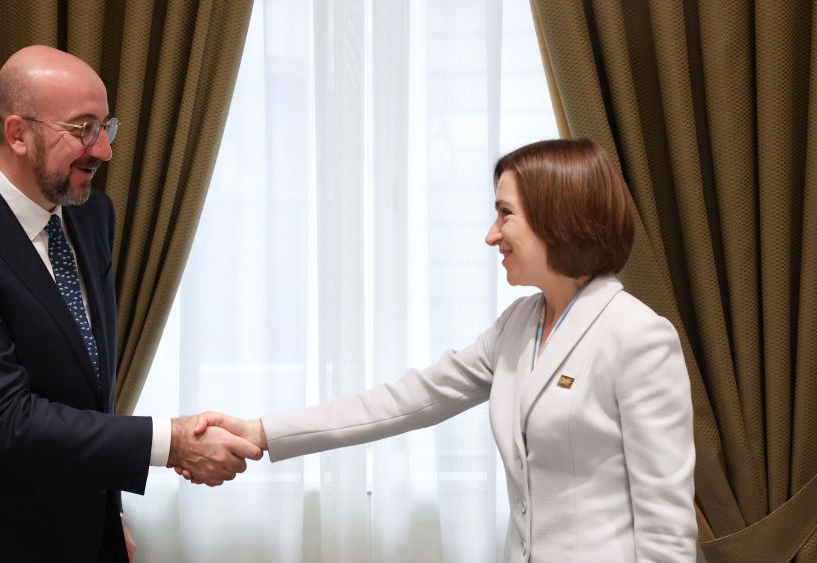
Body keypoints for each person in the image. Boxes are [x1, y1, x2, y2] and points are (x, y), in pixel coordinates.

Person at [181, 139, 698, 562]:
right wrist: (260, 432)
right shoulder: (518, 326)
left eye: (504, 214)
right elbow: (405, 400)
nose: (491, 235)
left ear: (556, 217)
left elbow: (667, 534)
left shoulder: (638, 338)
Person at [0, 45, 261, 563]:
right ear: (18, 133)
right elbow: (3, 421)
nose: (104, 151)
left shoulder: (90, 215)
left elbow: (86, 389)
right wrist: (170, 442)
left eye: (106, 127)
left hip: (83, 529)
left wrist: (109, 516)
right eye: (83, 128)